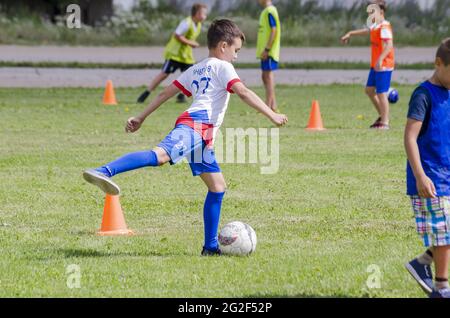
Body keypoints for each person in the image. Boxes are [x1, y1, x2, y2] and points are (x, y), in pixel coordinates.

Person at [83, 19, 288, 256]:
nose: (236, 56)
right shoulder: (224, 67)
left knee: (218, 187)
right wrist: (271, 114)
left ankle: (210, 247)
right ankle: (104, 171)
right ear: (223, 46)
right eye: (236, 50)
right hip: (196, 126)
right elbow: (243, 92)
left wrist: (141, 117)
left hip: (202, 134)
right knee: (159, 156)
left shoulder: (197, 68)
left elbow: (166, 92)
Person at [404, 38, 450, 298]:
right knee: (445, 233)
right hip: (431, 178)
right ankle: (442, 287)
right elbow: (410, 137)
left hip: (448, 174)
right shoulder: (423, 95)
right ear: (438, 63)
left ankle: (422, 263)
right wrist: (420, 175)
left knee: (447, 231)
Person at [137, 3, 207, 104]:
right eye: (203, 14)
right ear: (196, 13)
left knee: (191, 75)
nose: (205, 16)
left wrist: (190, 44)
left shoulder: (198, 25)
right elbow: (177, 35)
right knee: (164, 74)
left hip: (186, 56)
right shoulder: (186, 23)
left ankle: (181, 96)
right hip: (175, 54)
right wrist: (190, 43)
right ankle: (146, 93)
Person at [341, 0, 394, 130]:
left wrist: (380, 60)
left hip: (383, 65)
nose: (370, 15)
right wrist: (350, 33)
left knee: (381, 93)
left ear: (381, 12)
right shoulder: (376, 25)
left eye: (372, 12)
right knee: (369, 90)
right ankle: (382, 116)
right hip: (375, 65)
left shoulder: (384, 27)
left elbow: (389, 46)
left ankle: (385, 123)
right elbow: (367, 31)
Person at [256, 0, 281, 112]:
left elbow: (274, 31)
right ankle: (273, 104)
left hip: (269, 51)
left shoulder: (270, 11)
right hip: (264, 51)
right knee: (264, 76)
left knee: (268, 76)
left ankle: (268, 105)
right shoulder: (266, 11)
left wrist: (267, 48)